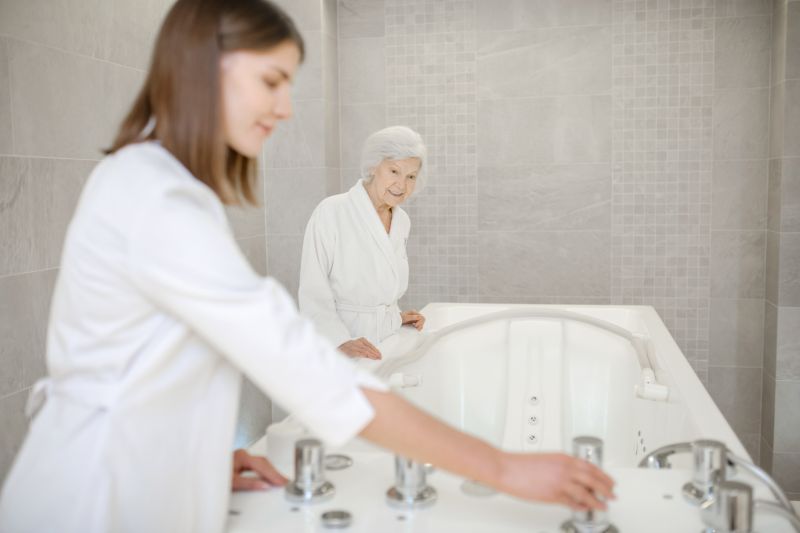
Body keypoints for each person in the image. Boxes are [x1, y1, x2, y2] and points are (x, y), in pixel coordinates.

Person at [0, 1, 614, 532]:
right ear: (202, 69)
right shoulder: (156, 200)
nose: (287, 107)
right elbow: (298, 358)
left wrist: (199, 455)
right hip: (92, 504)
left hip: (142, 479)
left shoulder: (157, 184)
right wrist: (502, 467)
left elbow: (140, 365)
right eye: (272, 81)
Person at [298, 126, 426, 361]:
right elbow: (312, 293)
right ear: (373, 167)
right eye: (394, 171)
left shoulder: (401, 221)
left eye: (411, 176)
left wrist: (395, 316)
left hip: (387, 341)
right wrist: (338, 341)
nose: (401, 185)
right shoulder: (332, 211)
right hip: (345, 342)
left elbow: (379, 283)